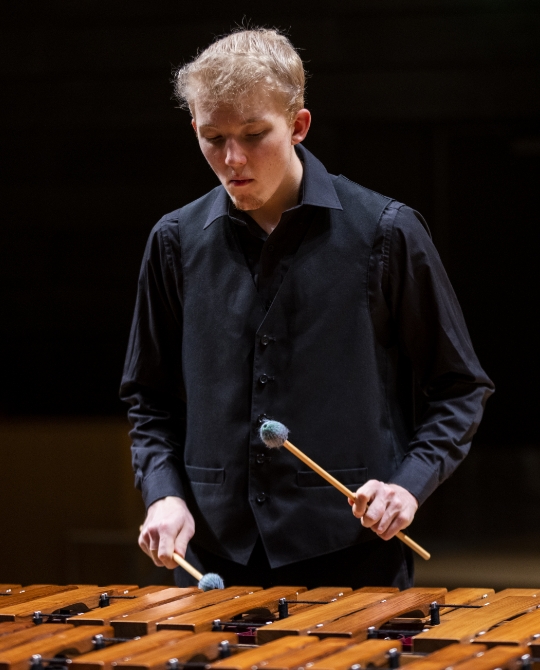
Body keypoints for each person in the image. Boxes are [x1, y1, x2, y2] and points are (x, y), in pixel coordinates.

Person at [120, 28, 494, 589]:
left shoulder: (386, 233)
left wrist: (408, 485)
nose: (231, 158)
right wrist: (164, 493)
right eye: (212, 136)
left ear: (298, 125)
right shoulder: (174, 241)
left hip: (352, 555)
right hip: (216, 561)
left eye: (253, 134)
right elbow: (149, 399)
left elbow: (460, 386)